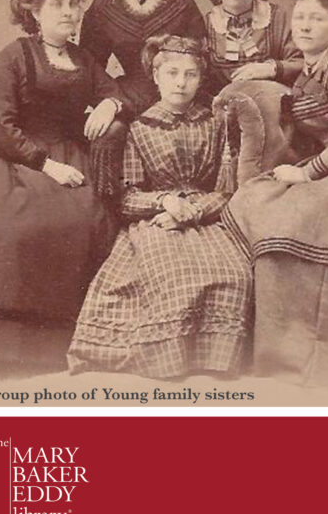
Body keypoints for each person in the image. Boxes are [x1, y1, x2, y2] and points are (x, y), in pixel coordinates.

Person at [221, 0, 328, 389]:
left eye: (317, 18)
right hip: (325, 164)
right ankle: (274, 349)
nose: (305, 26)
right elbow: (293, 67)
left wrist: (307, 173)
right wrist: (271, 67)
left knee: (297, 224)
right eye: (299, 17)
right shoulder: (310, 65)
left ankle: (316, 355)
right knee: (254, 200)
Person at [68, 35, 252, 378]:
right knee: (173, 274)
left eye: (190, 75)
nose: (180, 83)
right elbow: (127, 197)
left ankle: (214, 360)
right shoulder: (140, 128)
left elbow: (228, 189)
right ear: (156, 77)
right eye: (171, 73)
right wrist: (164, 201)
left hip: (208, 215)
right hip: (155, 219)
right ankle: (169, 360)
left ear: (201, 78)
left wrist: (193, 211)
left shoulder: (216, 124)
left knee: (235, 274)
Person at [0, 0, 121, 368]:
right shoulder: (15, 56)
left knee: (92, 216)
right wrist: (46, 164)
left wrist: (110, 105)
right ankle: (13, 343)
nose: (69, 13)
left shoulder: (82, 60)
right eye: (58, 4)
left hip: (69, 152)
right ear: (34, 11)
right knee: (19, 223)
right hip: (14, 158)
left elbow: (111, 90)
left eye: (74, 4)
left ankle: (74, 339)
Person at [80, 0, 206, 199]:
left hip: (180, 93)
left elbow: (200, 64)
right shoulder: (104, 6)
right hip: (128, 94)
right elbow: (90, 68)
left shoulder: (182, 3)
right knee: (107, 133)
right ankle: (108, 217)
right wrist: (111, 101)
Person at [201, 0, 303, 95]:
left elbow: (305, 63)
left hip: (274, 105)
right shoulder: (205, 24)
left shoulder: (278, 18)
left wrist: (271, 68)